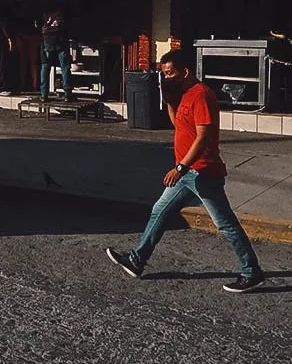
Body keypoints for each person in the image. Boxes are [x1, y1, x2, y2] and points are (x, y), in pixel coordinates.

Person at [106, 48, 265, 293]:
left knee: (225, 224)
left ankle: (252, 272)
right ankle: (137, 260)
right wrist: (169, 101)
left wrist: (180, 167)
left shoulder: (201, 95)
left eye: (170, 73)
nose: (166, 78)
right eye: (164, 74)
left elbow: (203, 137)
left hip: (203, 173)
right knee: (159, 211)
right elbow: (179, 124)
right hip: (188, 175)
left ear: (186, 72)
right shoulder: (185, 95)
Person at [39, 6, 74, 102]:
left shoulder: (44, 10)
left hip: (47, 40)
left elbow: (38, 24)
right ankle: (68, 93)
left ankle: (44, 94)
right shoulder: (62, 10)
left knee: (45, 66)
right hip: (61, 40)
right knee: (65, 66)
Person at [0, 8, 15, 95]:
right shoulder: (3, 14)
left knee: (1, 62)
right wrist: (9, 38)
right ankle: (1, 87)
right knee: (2, 62)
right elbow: (4, 25)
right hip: (1, 39)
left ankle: (2, 86)